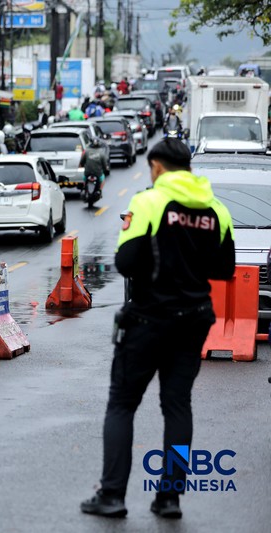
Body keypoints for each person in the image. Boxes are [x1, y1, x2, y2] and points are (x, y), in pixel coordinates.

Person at [81, 139, 235, 520]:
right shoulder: (217, 210)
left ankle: (112, 495)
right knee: (178, 406)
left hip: (148, 319)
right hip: (195, 318)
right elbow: (225, 269)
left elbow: (125, 262)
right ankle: (169, 499)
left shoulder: (149, 202)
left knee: (122, 405)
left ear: (157, 167)